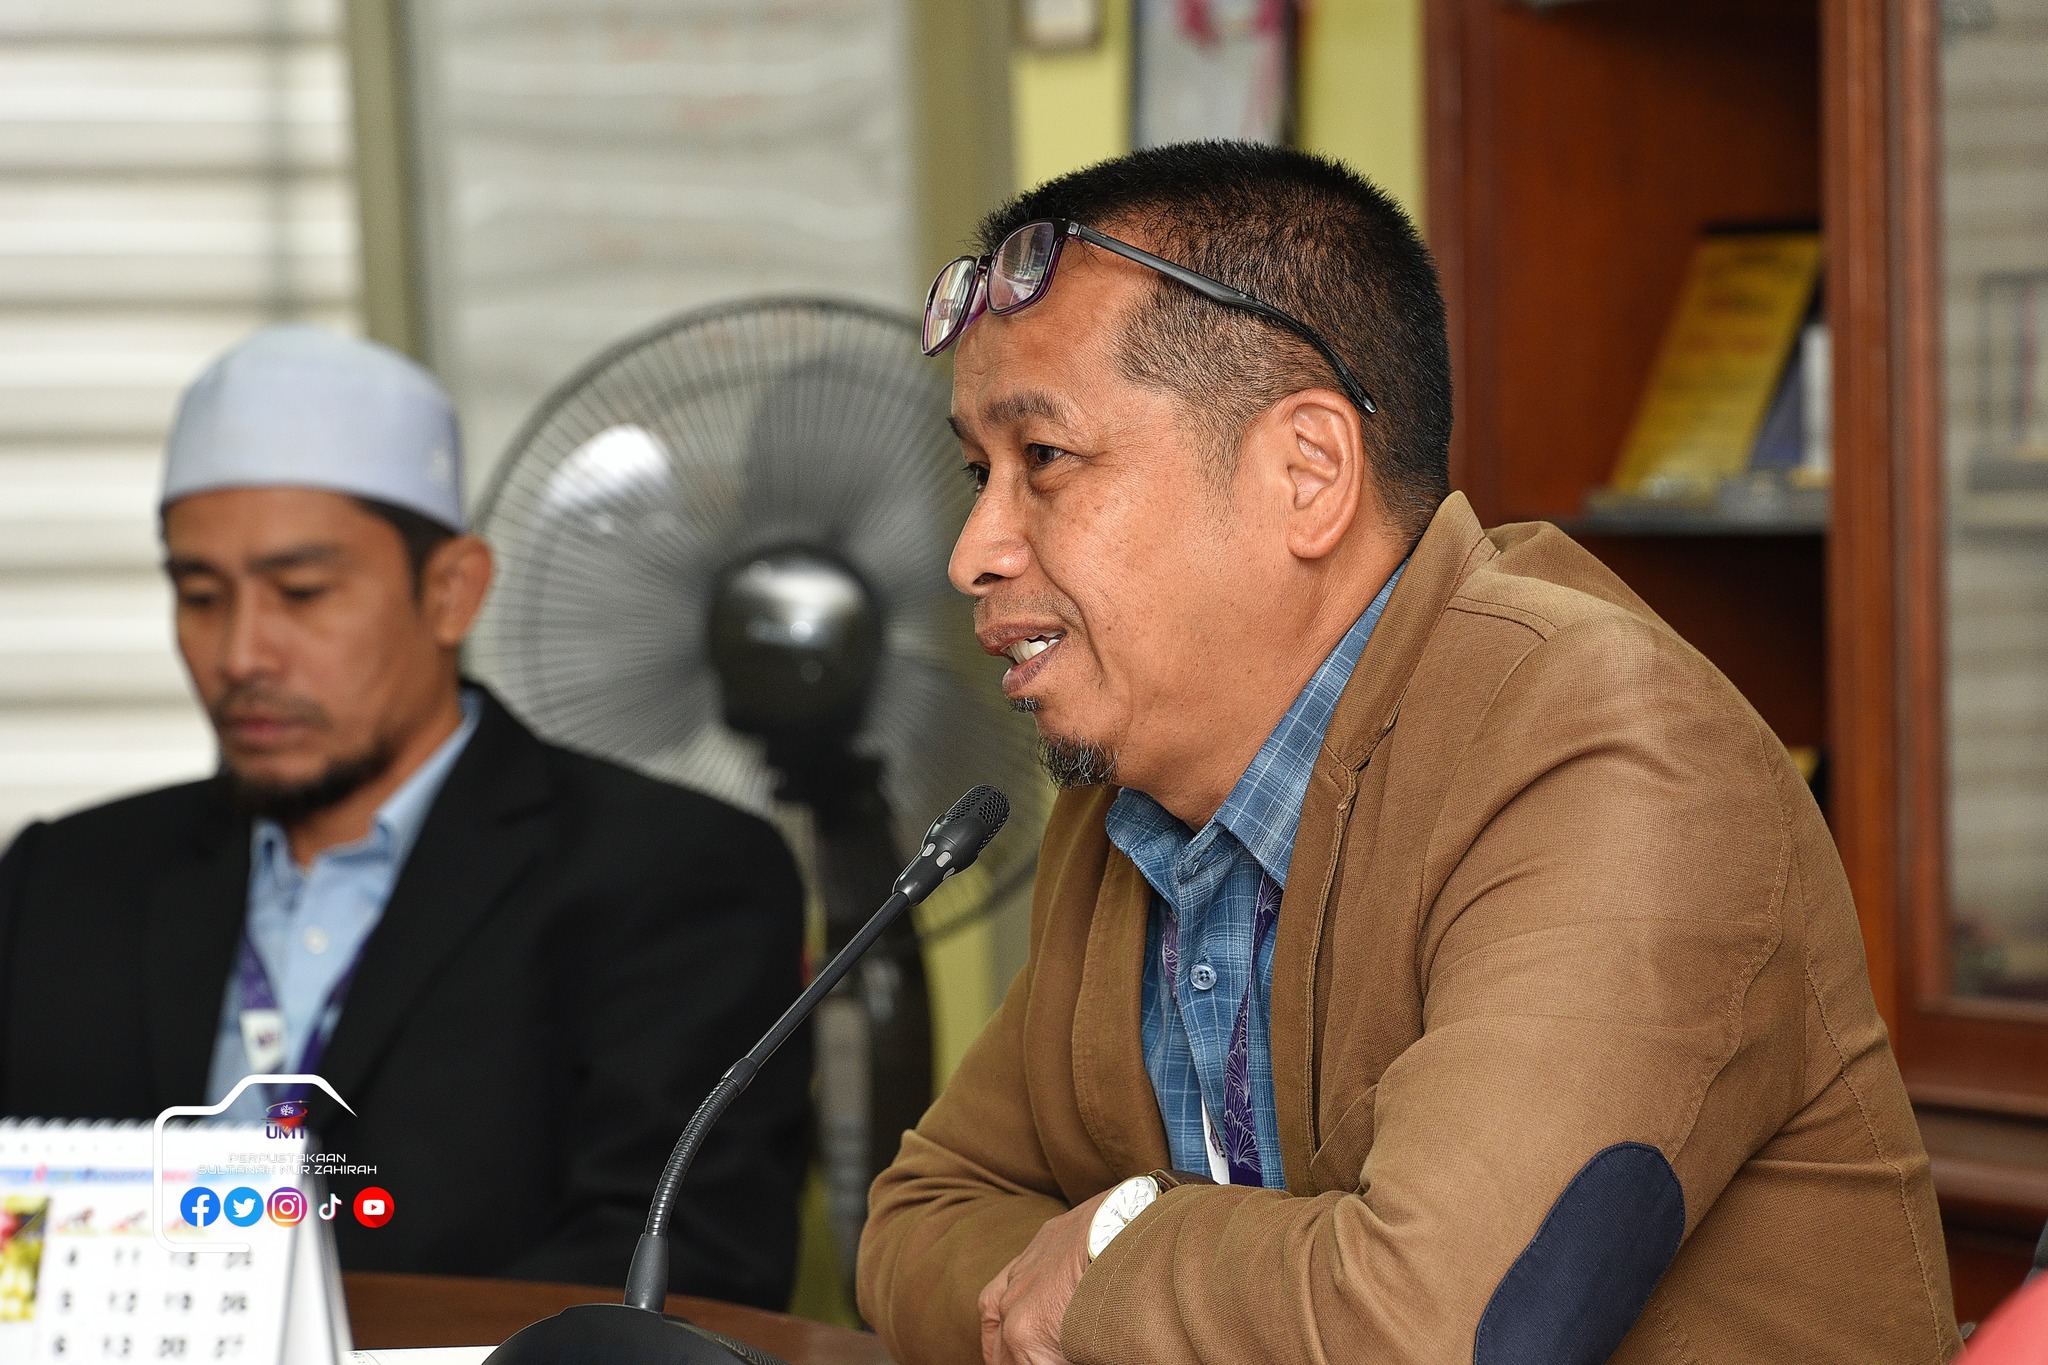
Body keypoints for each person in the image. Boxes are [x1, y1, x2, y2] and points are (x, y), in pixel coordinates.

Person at [857, 143, 1960, 1363]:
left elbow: (1436, 1332)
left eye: (1043, 461)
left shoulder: (1612, 751)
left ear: (1307, 472)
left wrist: (1115, 1250)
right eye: (978, 472)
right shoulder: (1134, 791)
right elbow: (921, 1216)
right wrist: (1174, 1288)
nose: (972, 552)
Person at [0, 326, 811, 1309]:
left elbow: (678, 1266)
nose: (241, 653)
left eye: (302, 593)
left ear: (450, 591)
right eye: (200, 595)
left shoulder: (670, 878)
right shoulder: (65, 880)